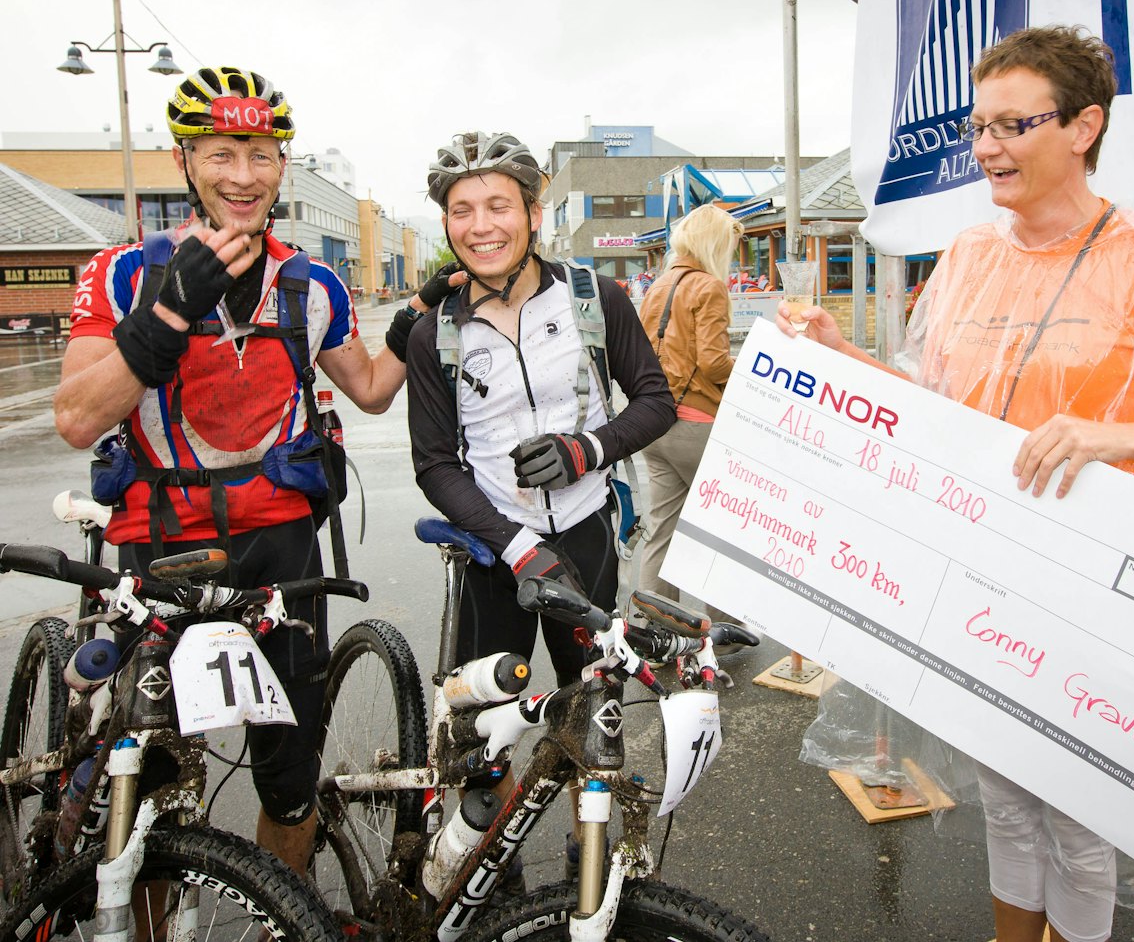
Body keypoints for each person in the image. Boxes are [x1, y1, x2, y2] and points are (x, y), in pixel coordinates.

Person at [777, 26, 1134, 942]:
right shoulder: (969, 256)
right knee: (1006, 804)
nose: (986, 148)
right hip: (978, 575)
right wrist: (843, 357)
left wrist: (1108, 434)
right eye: (978, 127)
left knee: (1083, 821)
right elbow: (932, 401)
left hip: (1098, 584)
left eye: (1013, 124)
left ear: (1084, 125)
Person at [52, 65, 450, 877]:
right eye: (224, 152)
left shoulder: (310, 281)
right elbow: (76, 416)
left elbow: (370, 389)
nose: (244, 174)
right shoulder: (120, 273)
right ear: (185, 160)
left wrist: (416, 317)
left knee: (291, 781)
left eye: (263, 154)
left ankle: (284, 918)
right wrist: (167, 310)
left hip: (283, 549)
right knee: (152, 786)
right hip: (163, 547)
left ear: (283, 165)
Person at [406, 131, 675, 687]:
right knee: (482, 730)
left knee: (592, 715)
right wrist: (518, 548)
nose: (481, 226)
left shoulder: (598, 298)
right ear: (448, 224)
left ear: (532, 212)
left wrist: (587, 449)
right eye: (462, 211)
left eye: (498, 205)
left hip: (586, 534)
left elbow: (656, 401)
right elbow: (434, 463)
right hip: (491, 545)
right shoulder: (434, 333)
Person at [637, 205, 739, 618]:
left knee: (663, 527)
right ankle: (726, 628)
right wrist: (753, 370)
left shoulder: (657, 287)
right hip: (696, 424)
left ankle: (654, 626)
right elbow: (714, 364)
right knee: (725, 527)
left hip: (655, 423)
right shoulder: (709, 287)